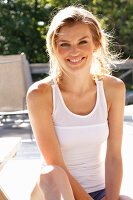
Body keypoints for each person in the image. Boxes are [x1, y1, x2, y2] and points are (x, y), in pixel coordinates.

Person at [27, 6, 132, 200]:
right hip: (53, 191)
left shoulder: (113, 89)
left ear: (96, 44)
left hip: (99, 190)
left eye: (82, 42)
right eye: (64, 44)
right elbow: (55, 162)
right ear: (54, 48)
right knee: (52, 173)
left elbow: (114, 157)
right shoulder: (40, 95)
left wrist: (112, 197)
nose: (74, 51)